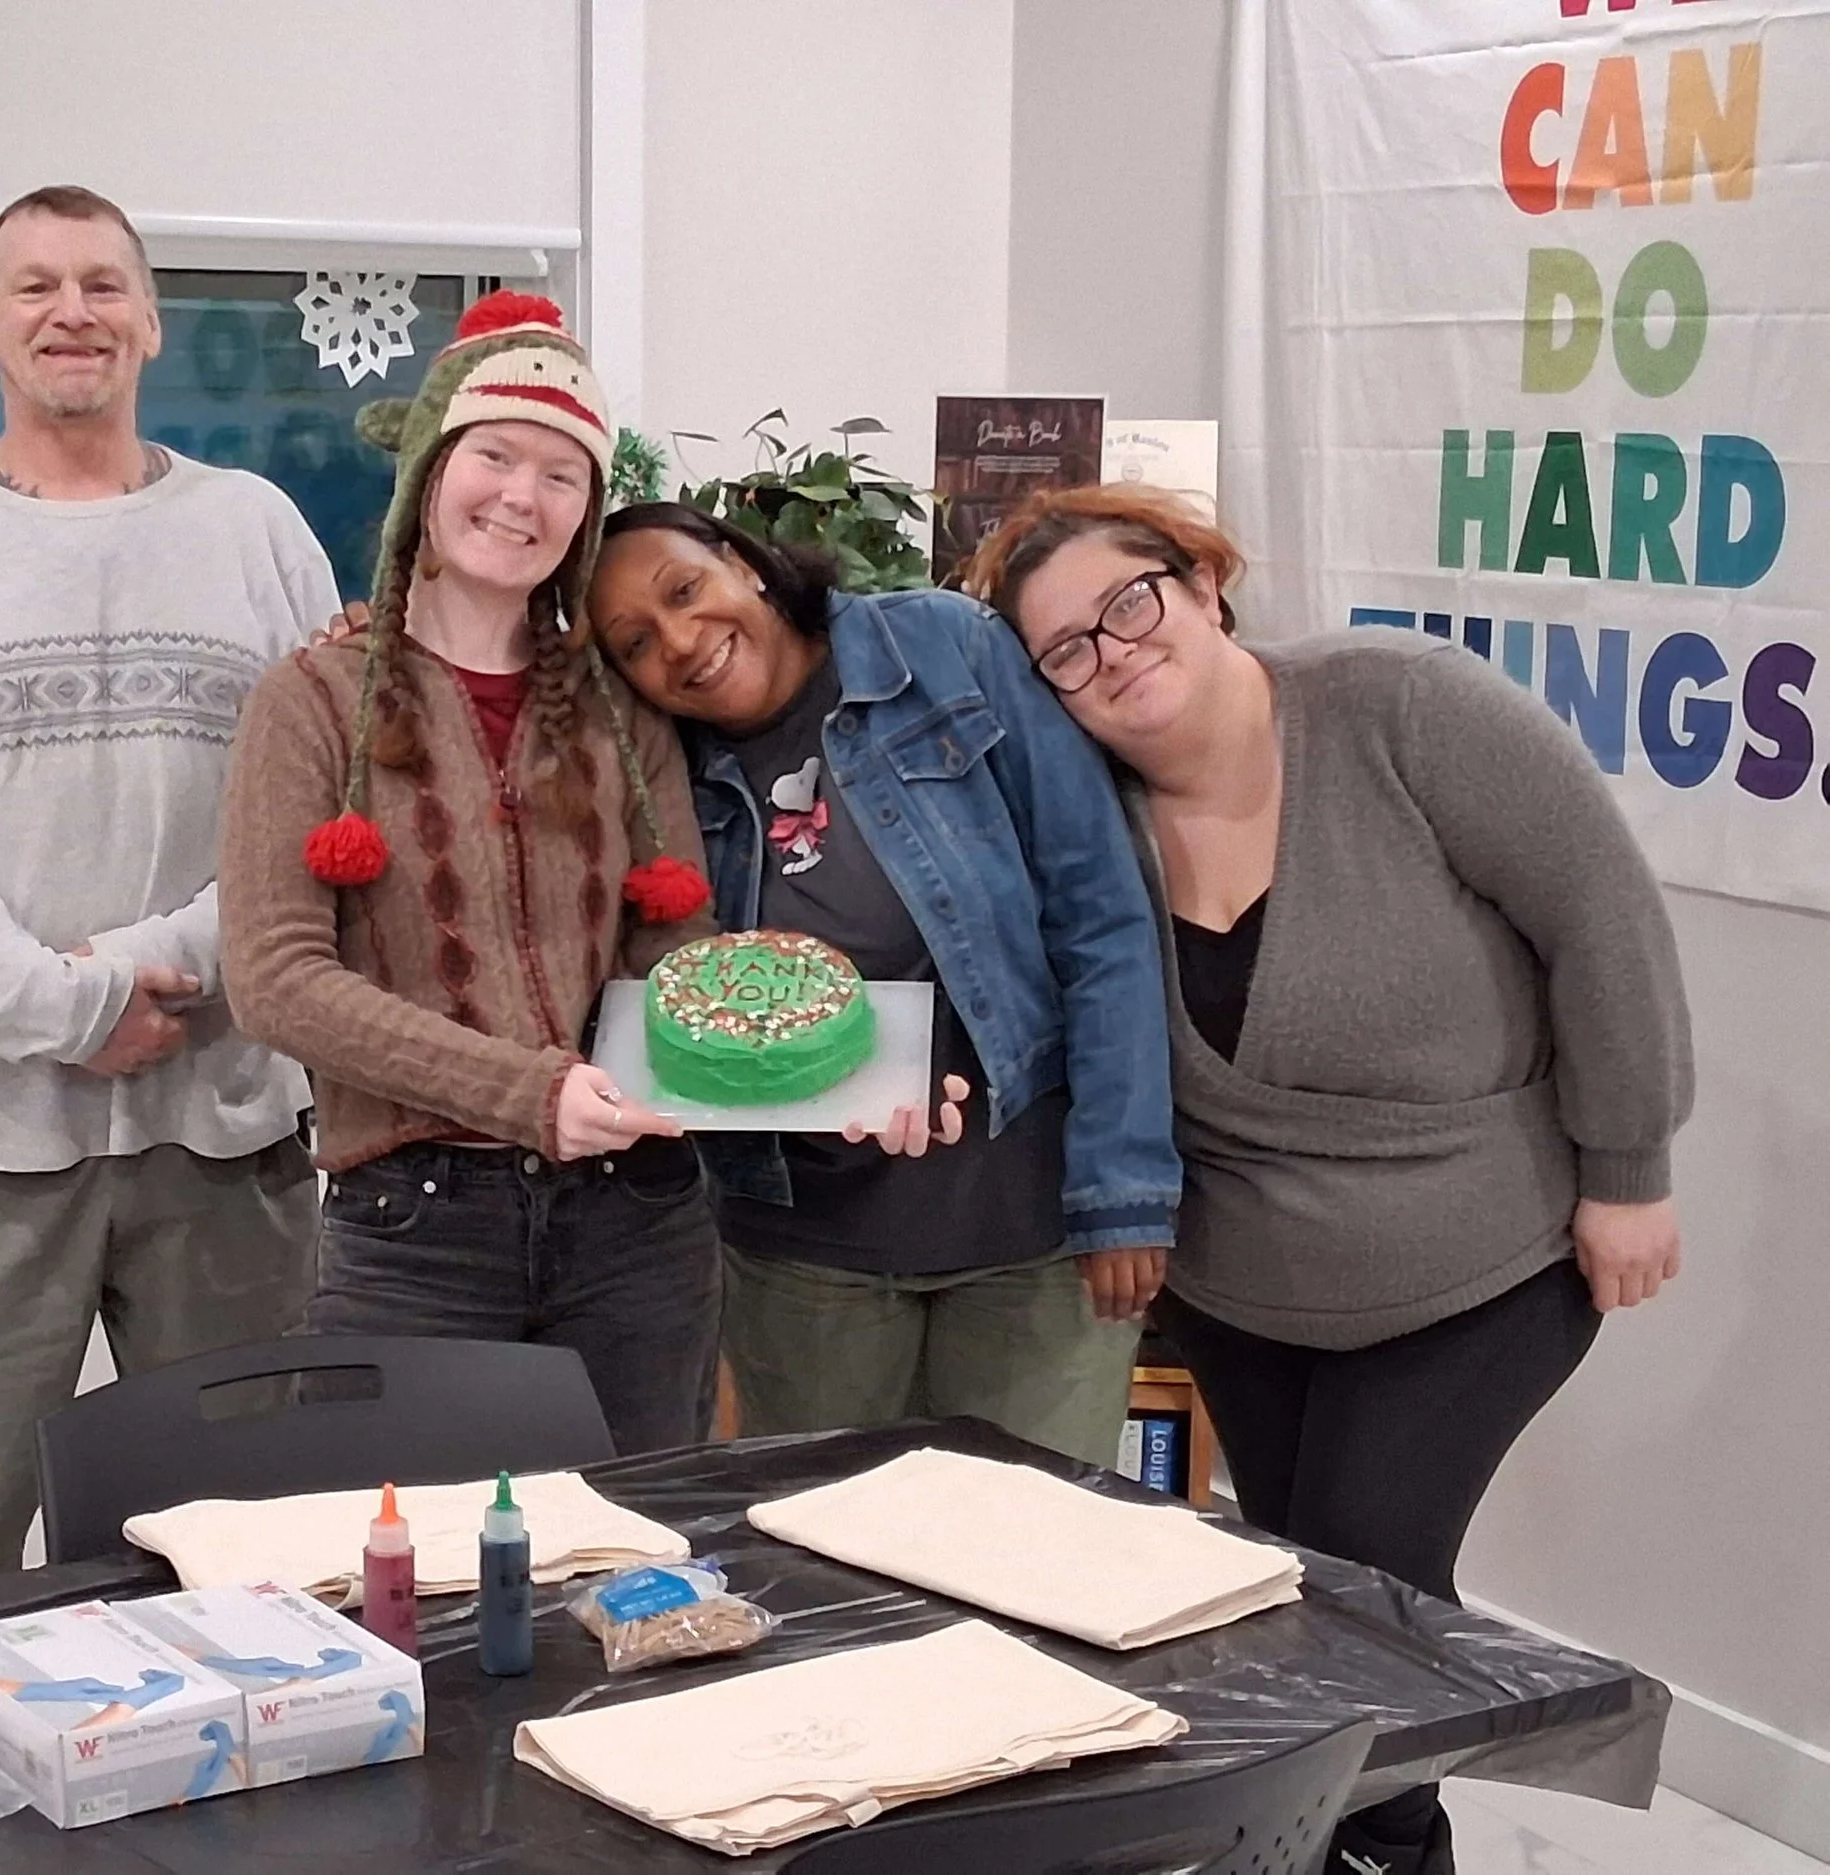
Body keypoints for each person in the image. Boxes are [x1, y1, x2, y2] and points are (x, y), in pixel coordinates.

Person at [977, 483, 1693, 1875]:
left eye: (1131, 602)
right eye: (1067, 649)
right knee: (1294, 1587)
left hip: (1482, 1260)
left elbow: (1602, 915)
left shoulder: (1402, 707)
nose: (1113, 651)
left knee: (1368, 1584)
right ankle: (1341, 1845)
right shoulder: (1092, 825)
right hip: (1243, 1293)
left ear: (1201, 582)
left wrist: (1631, 1167)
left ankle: (1373, 1852)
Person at [0, 185, 337, 1587]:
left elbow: (317, 815)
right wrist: (68, 1005)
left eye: (103, 283)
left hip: (224, 1134)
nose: (72, 311)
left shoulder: (258, 531)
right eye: (34, 286)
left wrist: (159, 960)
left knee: (245, 1563)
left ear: (152, 320)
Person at [217, 293, 727, 1455]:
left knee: (642, 1561)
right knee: (415, 1586)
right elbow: (275, 980)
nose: (522, 497)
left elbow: (672, 950)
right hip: (415, 1234)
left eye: (563, 475)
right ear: (431, 475)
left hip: (638, 1225)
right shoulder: (308, 705)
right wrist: (528, 1091)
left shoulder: (618, 709)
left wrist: (828, 1076)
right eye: (495, 455)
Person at [587, 504, 1182, 1467]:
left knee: (1026, 1568)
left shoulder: (938, 648)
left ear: (741, 562)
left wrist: (1123, 1187)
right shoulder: (657, 771)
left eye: (686, 590)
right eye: (637, 644)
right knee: (834, 1583)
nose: (683, 642)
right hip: (807, 1262)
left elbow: (1101, 911)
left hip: (1028, 1232)